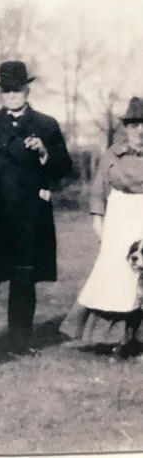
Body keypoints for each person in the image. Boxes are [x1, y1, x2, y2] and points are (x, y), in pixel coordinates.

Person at [0, 60, 73, 355]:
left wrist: (44, 152)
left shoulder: (46, 125)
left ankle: (19, 342)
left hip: (29, 215)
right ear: (1, 93)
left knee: (24, 278)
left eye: (17, 90)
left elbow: (64, 168)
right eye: (7, 91)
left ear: (27, 90)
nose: (12, 96)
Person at [60, 97, 143, 357]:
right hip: (118, 221)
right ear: (126, 128)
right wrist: (98, 222)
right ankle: (114, 339)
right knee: (114, 277)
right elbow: (98, 191)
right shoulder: (112, 155)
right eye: (133, 125)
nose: (140, 131)